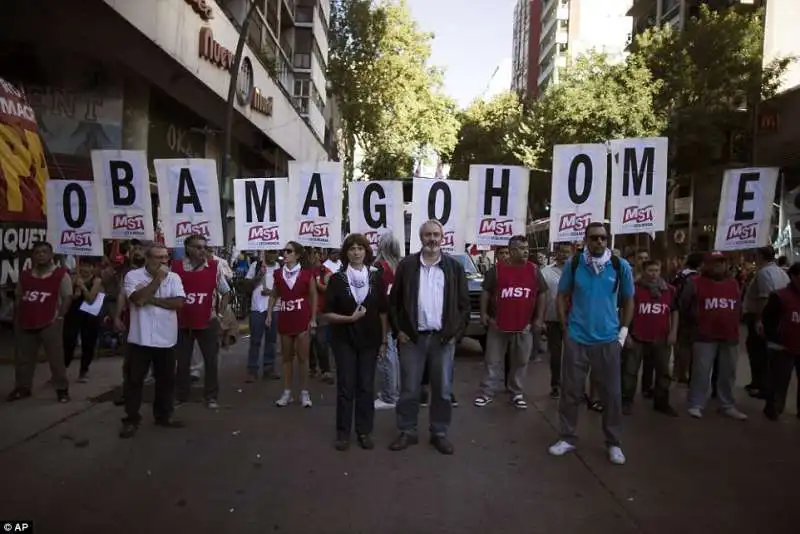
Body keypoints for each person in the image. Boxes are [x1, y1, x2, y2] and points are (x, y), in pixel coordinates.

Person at [549, 222, 634, 466]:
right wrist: (566, 328)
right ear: (586, 240)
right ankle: (567, 437)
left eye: (603, 238)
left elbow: (629, 300)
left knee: (612, 394)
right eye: (594, 238)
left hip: (608, 340)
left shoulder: (620, 266)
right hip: (578, 338)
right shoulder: (574, 265)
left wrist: (623, 333)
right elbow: (562, 296)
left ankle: (614, 443)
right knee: (570, 391)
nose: (599, 242)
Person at [388, 219, 469, 455]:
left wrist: (457, 334)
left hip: (443, 340)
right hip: (412, 339)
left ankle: (439, 432)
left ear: (442, 238)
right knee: (409, 389)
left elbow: (464, 306)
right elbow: (394, 303)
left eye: (436, 234)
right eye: (427, 235)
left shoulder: (454, 268)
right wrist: (399, 331)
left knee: (442, 390)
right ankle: (407, 431)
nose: (432, 239)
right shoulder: (407, 266)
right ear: (420, 237)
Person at [323, 233, 389, 451]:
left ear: (366, 252)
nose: (356, 252)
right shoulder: (337, 279)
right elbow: (327, 315)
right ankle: (343, 433)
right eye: (352, 248)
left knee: (366, 387)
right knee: (346, 386)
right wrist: (349, 319)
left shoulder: (376, 277)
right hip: (344, 340)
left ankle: (364, 431)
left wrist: (383, 342)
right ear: (346, 253)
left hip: (370, 340)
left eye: (360, 248)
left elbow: (382, 312)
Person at [119, 243, 185, 438]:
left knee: (166, 380)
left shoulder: (174, 278)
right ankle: (131, 419)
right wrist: (157, 280)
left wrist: (153, 299)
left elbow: (179, 303)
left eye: (166, 257)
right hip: (140, 338)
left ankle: (164, 415)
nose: (164, 262)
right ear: (148, 259)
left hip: (166, 339)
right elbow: (138, 300)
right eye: (159, 258)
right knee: (134, 381)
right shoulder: (133, 276)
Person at [475, 235, 547, 409]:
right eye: (522, 249)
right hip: (498, 324)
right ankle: (487, 392)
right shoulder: (497, 270)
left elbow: (542, 293)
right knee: (492, 360)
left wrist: (538, 318)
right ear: (513, 250)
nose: (526, 252)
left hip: (524, 325)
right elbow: (485, 292)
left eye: (527, 248)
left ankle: (516, 393)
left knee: (521, 361)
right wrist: (484, 313)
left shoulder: (534, 270)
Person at [677, 251, 748, 420]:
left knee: (728, 372)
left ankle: (726, 404)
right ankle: (696, 403)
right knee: (701, 371)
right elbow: (683, 306)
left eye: (721, 262)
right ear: (706, 265)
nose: (719, 266)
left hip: (729, 334)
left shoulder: (733, 284)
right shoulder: (694, 283)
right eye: (715, 262)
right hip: (704, 334)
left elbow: (739, 306)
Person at [6, 241, 72, 403]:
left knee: (56, 358)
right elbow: (19, 297)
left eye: (44, 252)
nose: (41, 255)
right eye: (37, 252)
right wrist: (16, 318)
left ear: (51, 255)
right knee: (23, 358)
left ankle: (62, 390)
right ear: (33, 256)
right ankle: (23, 388)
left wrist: (61, 317)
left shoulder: (61, 274)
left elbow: (67, 297)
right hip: (26, 321)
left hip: (50, 321)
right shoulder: (25, 275)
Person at [173, 234, 231, 410]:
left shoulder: (214, 268)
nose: (202, 251)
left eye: (204, 247)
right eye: (198, 247)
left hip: (207, 322)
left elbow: (226, 292)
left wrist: (220, 314)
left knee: (211, 361)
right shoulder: (175, 269)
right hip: (182, 323)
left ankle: (211, 396)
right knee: (182, 362)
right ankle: (181, 395)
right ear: (187, 249)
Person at [621, 260, 678, 416]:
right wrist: (625, 334)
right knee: (630, 371)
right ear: (644, 271)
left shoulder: (669, 290)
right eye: (651, 270)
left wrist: (673, 332)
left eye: (657, 270)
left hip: (661, 337)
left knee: (663, 372)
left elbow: (674, 311)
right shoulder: (634, 289)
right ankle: (626, 400)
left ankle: (661, 402)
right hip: (637, 336)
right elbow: (625, 311)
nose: (654, 274)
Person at [267, 241, 317, 407]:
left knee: (303, 357)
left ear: (297, 255)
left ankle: (304, 393)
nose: (285, 254)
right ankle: (287, 392)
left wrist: (313, 318)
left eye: (289, 251)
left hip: (302, 318)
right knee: (287, 357)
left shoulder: (306, 274)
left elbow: (313, 296)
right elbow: (274, 295)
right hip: (285, 318)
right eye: (284, 251)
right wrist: (269, 314)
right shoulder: (278, 274)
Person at [743, 246, 789, 399]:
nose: (754, 258)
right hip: (778, 318)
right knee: (766, 353)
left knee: (758, 352)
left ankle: (761, 385)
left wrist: (759, 320)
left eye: (756, 255)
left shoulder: (764, 273)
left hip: (763, 318)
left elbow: (764, 298)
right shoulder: (781, 272)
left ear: (761, 256)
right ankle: (762, 383)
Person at [761, 262, 800, 421]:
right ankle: (773, 408)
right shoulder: (779, 296)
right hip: (783, 346)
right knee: (779, 380)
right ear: (794, 277)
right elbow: (768, 319)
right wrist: (774, 339)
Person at [63, 257, 105, 382]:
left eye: (88, 266)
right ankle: (62, 370)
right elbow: (70, 297)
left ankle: (83, 371)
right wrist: (74, 288)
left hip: (90, 315)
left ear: (93, 268)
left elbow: (90, 299)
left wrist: (83, 286)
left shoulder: (97, 281)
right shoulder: (73, 278)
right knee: (68, 341)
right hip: (73, 314)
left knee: (88, 343)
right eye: (82, 265)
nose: (85, 269)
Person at [374, 231, 402, 410]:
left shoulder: (379, 267)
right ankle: (393, 391)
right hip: (395, 314)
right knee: (393, 355)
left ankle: (389, 395)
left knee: (385, 355)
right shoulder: (398, 266)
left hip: (382, 315)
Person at [244, 250, 281, 381]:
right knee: (255, 340)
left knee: (271, 340)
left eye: (274, 252)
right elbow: (247, 286)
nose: (272, 255)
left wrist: (271, 292)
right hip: (257, 309)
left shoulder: (280, 267)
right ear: (265, 253)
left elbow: (285, 289)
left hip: (275, 308)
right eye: (270, 252)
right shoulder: (256, 266)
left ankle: (269, 368)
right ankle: (252, 369)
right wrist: (258, 276)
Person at [541, 242, 572, 399]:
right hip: (553, 320)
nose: (565, 255)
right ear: (556, 253)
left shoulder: (578, 271)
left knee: (573, 355)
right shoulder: (546, 272)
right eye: (562, 252)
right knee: (556, 355)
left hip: (574, 320)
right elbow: (541, 297)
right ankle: (556, 385)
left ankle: (572, 386)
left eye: (568, 252)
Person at [670, 252, 703, 384]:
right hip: (689, 318)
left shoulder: (680, 276)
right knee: (687, 347)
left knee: (681, 346)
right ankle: (683, 374)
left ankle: (678, 372)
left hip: (680, 316)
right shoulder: (693, 279)